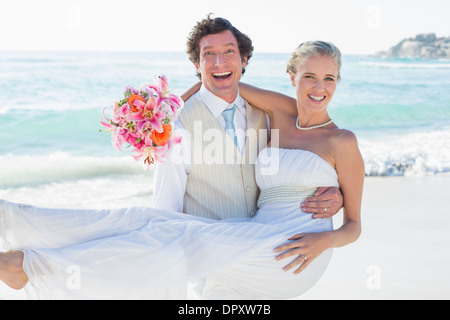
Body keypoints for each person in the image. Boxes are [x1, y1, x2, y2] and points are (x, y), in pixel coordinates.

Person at [0, 40, 364, 300]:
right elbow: (217, 83)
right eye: (310, 77)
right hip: (255, 233)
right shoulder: (279, 111)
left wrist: (326, 237)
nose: (319, 88)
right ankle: (11, 220)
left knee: (177, 241)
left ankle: (33, 268)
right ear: (292, 77)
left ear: (337, 83)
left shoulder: (342, 141)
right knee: (145, 218)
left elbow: (354, 225)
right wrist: (160, 113)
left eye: (329, 79)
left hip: (296, 252)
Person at [153, 16, 343, 297]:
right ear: (197, 65)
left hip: (271, 259)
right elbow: (165, 211)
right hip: (216, 271)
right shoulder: (177, 126)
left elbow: (306, 162)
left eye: (229, 51)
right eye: (209, 55)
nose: (220, 62)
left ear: (244, 59)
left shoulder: (269, 116)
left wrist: (335, 196)